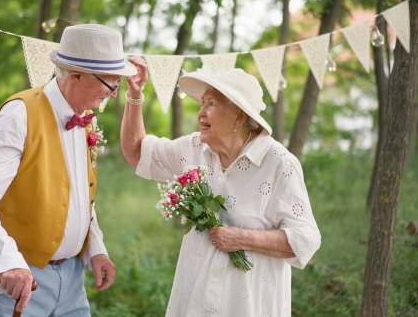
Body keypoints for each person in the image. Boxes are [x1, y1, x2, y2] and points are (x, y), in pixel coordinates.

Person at [0, 24, 140, 316]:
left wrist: (95, 249)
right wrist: (8, 262)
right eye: (111, 83)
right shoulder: (20, 114)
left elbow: (80, 196)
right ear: (76, 76)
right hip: (19, 280)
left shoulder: (87, 119)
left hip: (73, 281)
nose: (115, 93)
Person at [121, 67, 321, 316]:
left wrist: (243, 238)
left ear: (239, 116)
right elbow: (137, 152)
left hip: (248, 303)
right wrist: (134, 95)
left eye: (211, 103)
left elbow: (306, 240)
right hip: (194, 296)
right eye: (202, 103)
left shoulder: (278, 162)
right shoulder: (194, 147)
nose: (201, 112)